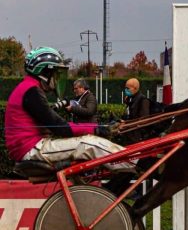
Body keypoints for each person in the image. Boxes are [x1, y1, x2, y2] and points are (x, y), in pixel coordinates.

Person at [4, 47, 133, 173]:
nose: (57, 79)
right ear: (45, 72)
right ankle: (135, 164)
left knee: (90, 142)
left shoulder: (28, 88)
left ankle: (129, 167)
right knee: (90, 144)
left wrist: (98, 127)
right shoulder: (31, 91)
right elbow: (61, 127)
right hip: (31, 149)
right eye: (55, 74)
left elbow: (58, 125)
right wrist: (98, 129)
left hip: (30, 147)